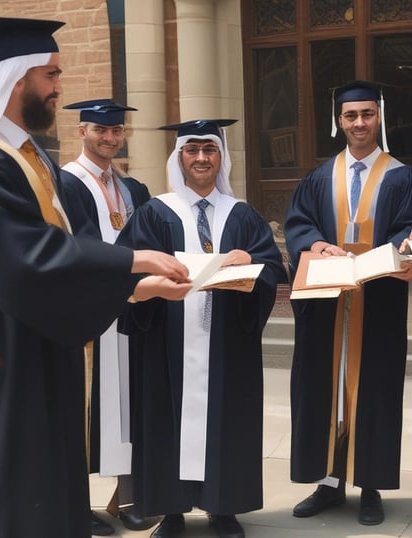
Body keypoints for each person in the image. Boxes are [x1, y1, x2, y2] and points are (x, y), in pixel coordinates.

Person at [0, 17, 192, 538]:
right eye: (50, 74)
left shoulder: (26, 157)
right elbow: (24, 259)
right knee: (12, 495)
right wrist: (132, 262)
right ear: (15, 80)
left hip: (32, 352)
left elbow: (48, 267)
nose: (58, 87)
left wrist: (134, 290)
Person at [116, 118, 287, 538]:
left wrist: (250, 262)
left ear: (221, 158)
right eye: (192, 150)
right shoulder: (156, 213)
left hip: (228, 345)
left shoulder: (242, 216)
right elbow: (126, 269)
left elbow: (272, 270)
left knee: (228, 423)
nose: (201, 158)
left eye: (209, 150)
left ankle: (224, 508)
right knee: (164, 420)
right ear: (179, 158)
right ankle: (170, 511)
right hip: (166, 344)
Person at [284, 80, 412, 526]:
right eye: (350, 116)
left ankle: (369, 484)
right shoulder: (318, 178)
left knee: (375, 390)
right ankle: (329, 482)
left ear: (379, 118)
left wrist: (385, 253)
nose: (359, 123)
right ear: (339, 121)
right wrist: (317, 244)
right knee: (323, 391)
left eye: (367, 115)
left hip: (379, 305)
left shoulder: (404, 178)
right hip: (328, 307)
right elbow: (298, 226)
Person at [60, 99, 155, 535]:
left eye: (117, 131)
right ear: (82, 132)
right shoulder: (67, 183)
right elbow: (76, 245)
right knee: (87, 406)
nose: (111, 138)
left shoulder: (133, 188)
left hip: (134, 307)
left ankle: (129, 492)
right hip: (91, 309)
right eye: (102, 131)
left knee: (129, 399)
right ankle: (76, 504)